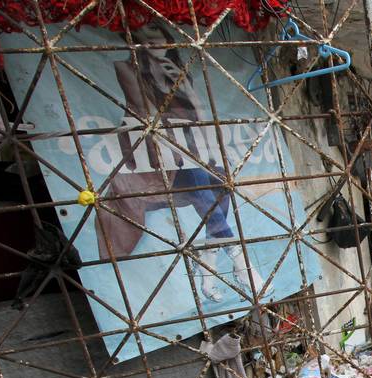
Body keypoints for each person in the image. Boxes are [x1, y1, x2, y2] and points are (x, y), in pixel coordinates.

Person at [96, 24, 263, 303]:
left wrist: (182, 85)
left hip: (183, 151)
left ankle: (210, 267)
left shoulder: (177, 71)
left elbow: (196, 114)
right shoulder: (127, 69)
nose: (151, 45)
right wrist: (163, 83)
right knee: (197, 173)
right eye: (143, 40)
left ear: (168, 41)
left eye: (155, 38)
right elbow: (148, 113)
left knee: (220, 183)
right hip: (149, 155)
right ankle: (238, 260)